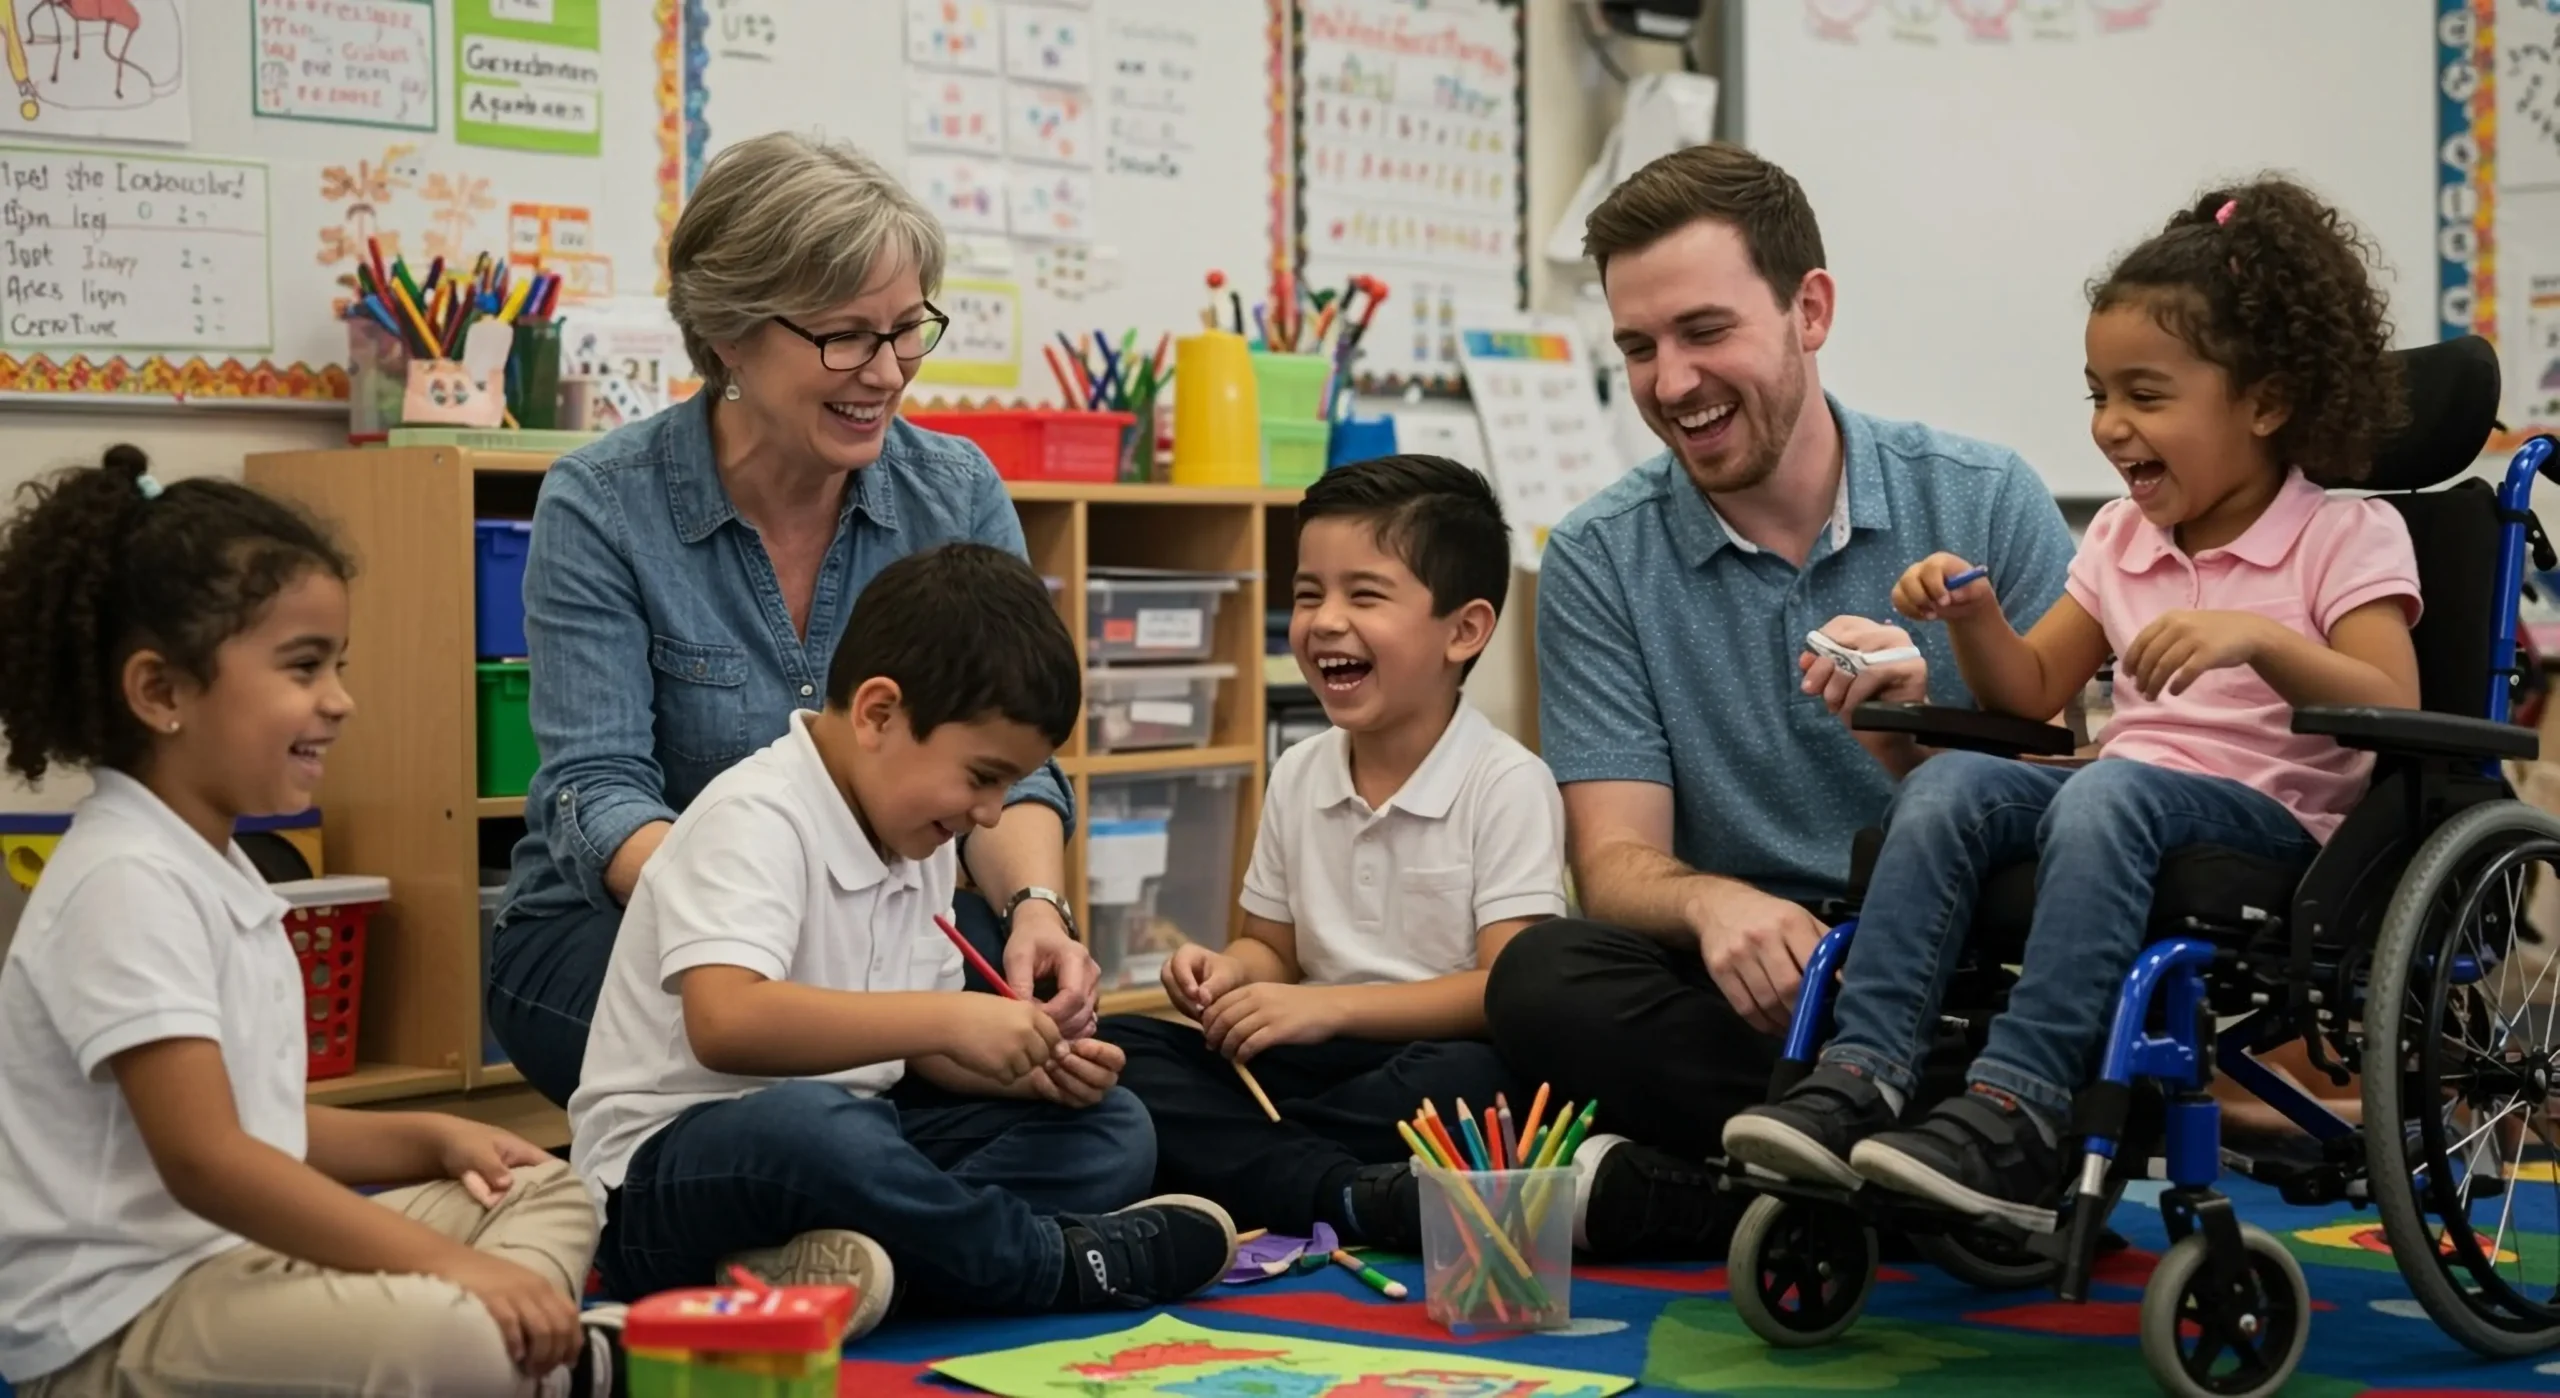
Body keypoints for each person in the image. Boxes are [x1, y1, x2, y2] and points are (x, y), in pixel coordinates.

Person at [1724, 178, 2420, 1228]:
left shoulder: (2343, 535)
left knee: (2108, 794)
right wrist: (1972, 616)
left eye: (2145, 395)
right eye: (2096, 394)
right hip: (2122, 805)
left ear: (2265, 403)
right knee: (1955, 782)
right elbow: (2032, 693)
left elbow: (2390, 701)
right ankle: (1857, 1079)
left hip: (2277, 833)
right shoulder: (2120, 540)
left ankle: (2018, 1108)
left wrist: (2264, 639)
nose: (2109, 427)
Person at [1481, 142, 2080, 1256]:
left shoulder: (1985, 500)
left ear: (1810, 309)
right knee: (1538, 981)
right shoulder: (1600, 559)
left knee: (2078, 1020)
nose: (1670, 384)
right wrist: (1716, 907)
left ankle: (1758, 1186)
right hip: (1747, 991)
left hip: (1958, 975)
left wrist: (1909, 751)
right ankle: (1908, 1182)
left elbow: (2084, 821)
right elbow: (1611, 864)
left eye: (1705, 332)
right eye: (1638, 348)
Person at [488, 131, 1098, 1108]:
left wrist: (1035, 909)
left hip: (894, 916)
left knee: (1071, 1082)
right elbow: (598, 795)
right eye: (846, 336)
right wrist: (793, 952)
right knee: (788, 1077)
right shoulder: (603, 504)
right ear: (729, 332)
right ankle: (889, 1177)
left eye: (907, 330)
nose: (889, 371)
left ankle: (878, 1197)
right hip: (631, 922)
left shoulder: (955, 491)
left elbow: (1012, 757)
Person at [0, 448, 620, 1397]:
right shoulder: (123, 881)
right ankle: (547, 1351)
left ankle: (536, 1352)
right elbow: (209, 1161)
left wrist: (433, 1138)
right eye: (302, 667)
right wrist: (455, 1270)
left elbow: (262, 1130)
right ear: (161, 692)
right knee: (447, 1332)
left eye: (337, 664)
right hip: (120, 1328)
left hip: (238, 1266)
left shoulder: (211, 861)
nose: (339, 699)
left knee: (542, 1181)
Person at [572, 543, 1236, 1337]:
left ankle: (833, 1266)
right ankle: (1051, 1264)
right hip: (667, 1180)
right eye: (982, 776)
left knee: (1111, 1130)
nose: (992, 813)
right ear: (879, 714)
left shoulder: (917, 833)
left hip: (853, 1149)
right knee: (815, 1130)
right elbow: (725, 1022)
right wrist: (951, 1019)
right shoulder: (753, 817)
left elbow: (914, 1057)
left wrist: (1027, 1068)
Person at [1100, 456, 1564, 1248]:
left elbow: (1502, 993)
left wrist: (1324, 1006)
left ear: (1465, 630)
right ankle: (1342, 1189)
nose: (1322, 620)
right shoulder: (1299, 770)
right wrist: (1228, 973)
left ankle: (1252, 1166)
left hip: (1424, 1061)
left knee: (1477, 1086)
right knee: (1124, 1051)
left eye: (1365, 594)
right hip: (1309, 1061)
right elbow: (1269, 947)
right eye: (1308, 592)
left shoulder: (1508, 782)